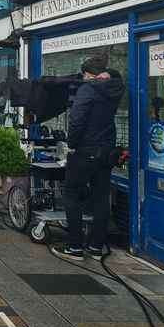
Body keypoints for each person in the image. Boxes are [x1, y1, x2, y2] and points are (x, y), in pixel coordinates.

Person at [53, 56, 124, 262]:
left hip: (85, 150)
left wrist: (72, 145)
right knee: (101, 198)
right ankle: (95, 246)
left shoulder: (88, 90)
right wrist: (110, 74)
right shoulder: (115, 89)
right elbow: (117, 77)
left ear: (88, 74)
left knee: (71, 194)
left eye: (84, 74)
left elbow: (76, 120)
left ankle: (75, 247)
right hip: (107, 151)